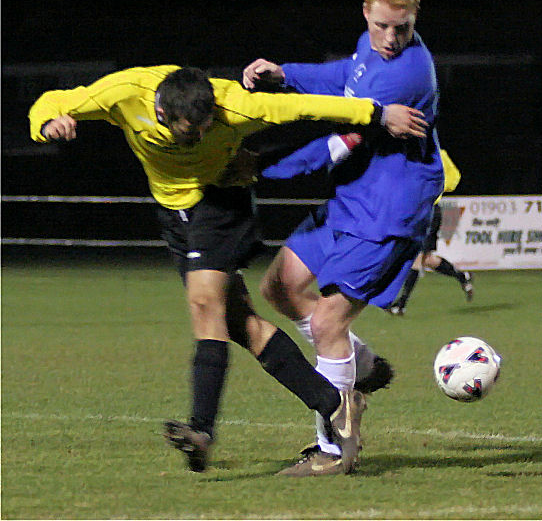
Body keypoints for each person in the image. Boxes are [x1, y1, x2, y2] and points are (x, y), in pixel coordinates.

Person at [29, 64, 427, 475]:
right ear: (161, 112)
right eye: (189, 131)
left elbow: (304, 107)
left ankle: (202, 430)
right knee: (242, 325)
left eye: (204, 128)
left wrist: (378, 114)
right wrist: (48, 123)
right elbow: (53, 101)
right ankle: (335, 403)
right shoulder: (124, 92)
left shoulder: (234, 106)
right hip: (174, 215)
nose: (199, 137)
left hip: (220, 204)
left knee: (205, 308)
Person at [243, 0, 444, 475]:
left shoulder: (409, 74)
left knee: (328, 319)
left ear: (416, 17)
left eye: (402, 27)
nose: (391, 38)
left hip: (386, 215)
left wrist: (261, 169)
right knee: (280, 288)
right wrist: (285, 75)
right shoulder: (368, 48)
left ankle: (334, 449)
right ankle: (360, 364)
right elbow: (342, 77)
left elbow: (337, 140)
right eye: (381, 25)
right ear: (365, 13)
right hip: (350, 200)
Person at [388, 152, 473, 315]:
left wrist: (435, 187)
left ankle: (401, 304)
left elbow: (454, 177)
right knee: (427, 260)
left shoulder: (438, 154)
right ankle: (463, 276)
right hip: (414, 211)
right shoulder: (406, 153)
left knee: (416, 258)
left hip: (429, 211)